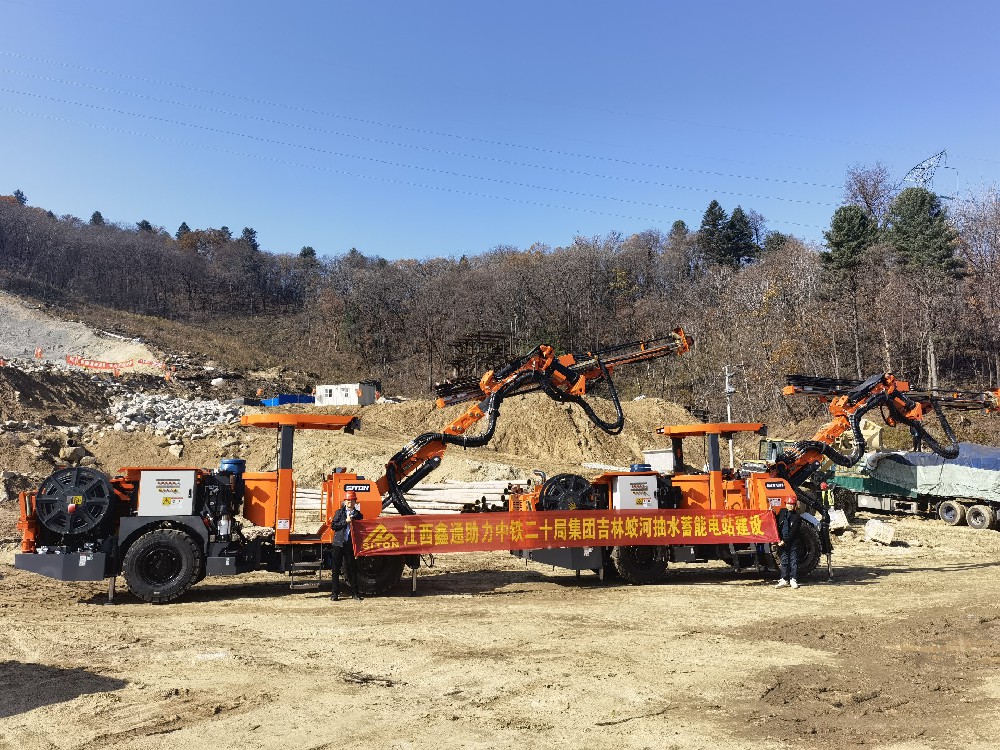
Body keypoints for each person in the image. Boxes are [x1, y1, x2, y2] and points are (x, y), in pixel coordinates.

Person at [330, 491, 363, 601]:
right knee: (335, 570)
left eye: (352, 500)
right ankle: (335, 594)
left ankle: (355, 593)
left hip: (350, 545)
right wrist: (346, 521)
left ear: (355, 502)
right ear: (345, 501)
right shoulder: (339, 513)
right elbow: (334, 526)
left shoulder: (358, 515)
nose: (350, 502)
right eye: (348, 500)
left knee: (352, 570)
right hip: (338, 544)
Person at [774, 495, 802, 589]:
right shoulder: (782, 512)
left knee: (793, 561)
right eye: (788, 504)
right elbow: (776, 521)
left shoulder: (797, 517)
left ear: (795, 505)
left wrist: (784, 541)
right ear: (785, 504)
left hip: (792, 542)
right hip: (782, 541)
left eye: (792, 504)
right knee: (784, 561)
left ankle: (793, 579)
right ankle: (784, 579)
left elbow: (793, 532)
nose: (790, 505)